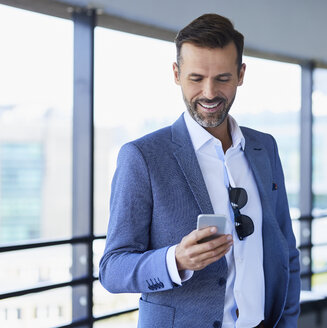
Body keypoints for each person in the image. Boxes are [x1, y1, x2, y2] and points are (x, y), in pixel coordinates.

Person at [99, 13, 300, 328]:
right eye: (196, 78)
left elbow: (285, 250)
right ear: (177, 74)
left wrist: (287, 322)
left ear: (241, 74)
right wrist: (175, 261)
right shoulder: (142, 157)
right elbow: (112, 269)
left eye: (222, 78)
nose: (209, 93)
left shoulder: (265, 148)